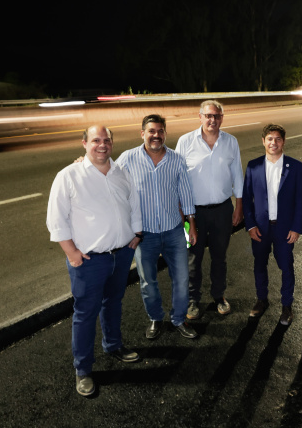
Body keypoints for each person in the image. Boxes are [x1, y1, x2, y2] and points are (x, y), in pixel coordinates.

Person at [46, 125, 143, 397]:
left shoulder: (121, 172)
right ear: (84, 143)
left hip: (121, 255)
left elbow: (134, 205)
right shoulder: (69, 175)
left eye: (106, 140)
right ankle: (83, 369)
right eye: (96, 140)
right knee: (85, 313)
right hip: (90, 261)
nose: (102, 145)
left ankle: (113, 345)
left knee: (113, 303)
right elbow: (56, 219)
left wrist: (136, 234)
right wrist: (71, 253)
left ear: (112, 143)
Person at [117, 114, 199, 341]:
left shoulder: (176, 159)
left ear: (165, 133)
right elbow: (108, 177)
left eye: (160, 131)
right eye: (151, 131)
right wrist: (83, 163)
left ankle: (179, 318)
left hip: (174, 231)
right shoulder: (128, 159)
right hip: (145, 235)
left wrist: (191, 226)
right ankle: (155, 318)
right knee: (147, 281)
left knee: (181, 278)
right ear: (142, 133)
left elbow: (186, 195)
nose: (156, 135)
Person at [175, 100, 243, 320]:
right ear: (200, 117)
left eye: (217, 116)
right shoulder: (185, 141)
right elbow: (177, 178)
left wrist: (238, 207)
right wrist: (182, 214)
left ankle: (218, 296)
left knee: (219, 257)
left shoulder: (231, 141)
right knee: (191, 258)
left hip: (223, 210)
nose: (212, 120)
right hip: (192, 213)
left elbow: (237, 174)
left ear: (221, 118)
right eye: (208, 115)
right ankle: (192, 300)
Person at [242, 124, 302, 325]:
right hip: (260, 228)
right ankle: (262, 300)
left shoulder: (295, 167)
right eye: (270, 139)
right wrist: (250, 225)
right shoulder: (253, 166)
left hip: (284, 228)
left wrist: (296, 227)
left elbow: (300, 200)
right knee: (259, 264)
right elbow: (246, 199)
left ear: (283, 141)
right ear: (263, 141)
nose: (274, 143)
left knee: (286, 266)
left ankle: (287, 305)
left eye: (278, 139)